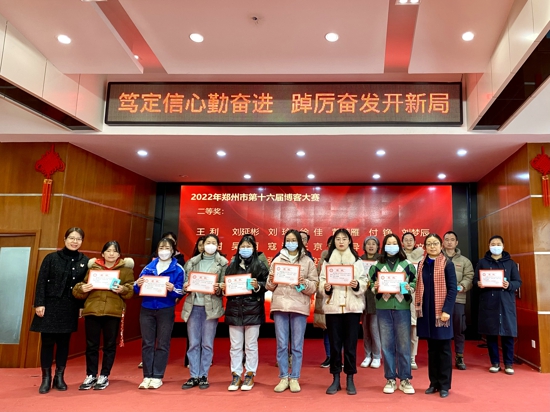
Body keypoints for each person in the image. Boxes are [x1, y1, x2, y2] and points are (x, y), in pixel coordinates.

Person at [30, 227, 89, 394]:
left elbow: (85, 287)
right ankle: (45, 378)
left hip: (70, 306)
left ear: (82, 242)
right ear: (65, 239)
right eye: (71, 238)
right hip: (50, 305)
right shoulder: (51, 258)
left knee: (64, 343)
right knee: (47, 342)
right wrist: (39, 303)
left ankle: (59, 377)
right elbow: (41, 281)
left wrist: (82, 307)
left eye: (78, 239)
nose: (74, 241)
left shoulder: (85, 261)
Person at [72, 241, 135, 390]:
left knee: (109, 345)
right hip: (92, 310)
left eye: (115, 251)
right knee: (91, 345)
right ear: (102, 253)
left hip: (113, 311)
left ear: (119, 254)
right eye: (108, 251)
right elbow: (78, 290)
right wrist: (82, 288)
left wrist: (123, 289)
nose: (111, 254)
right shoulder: (93, 268)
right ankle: (91, 375)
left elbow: (131, 290)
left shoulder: (126, 270)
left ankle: (104, 375)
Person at [267, 229, 318, 393]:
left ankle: (294, 377)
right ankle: (283, 377)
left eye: (293, 240)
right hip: (280, 305)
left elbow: (314, 286)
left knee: (297, 345)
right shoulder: (277, 260)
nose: (291, 243)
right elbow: (269, 286)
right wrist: (272, 279)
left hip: (299, 306)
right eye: (288, 240)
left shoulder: (307, 261)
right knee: (282, 344)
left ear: (299, 242)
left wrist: (304, 283)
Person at [319, 228, 367, 396]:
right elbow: (321, 281)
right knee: (335, 345)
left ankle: (350, 378)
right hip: (333, 308)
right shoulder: (327, 261)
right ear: (334, 242)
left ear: (349, 241)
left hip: (352, 308)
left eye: (344, 239)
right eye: (338, 239)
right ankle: (336, 379)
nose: (341, 242)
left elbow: (364, 281)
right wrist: (326, 288)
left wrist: (357, 285)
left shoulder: (357, 261)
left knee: (350, 345)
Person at [133, 238, 184, 389]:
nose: (164, 251)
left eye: (167, 248)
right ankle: (147, 376)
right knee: (147, 343)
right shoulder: (148, 267)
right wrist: (138, 285)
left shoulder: (178, 269)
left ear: (173, 251)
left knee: (162, 343)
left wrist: (172, 289)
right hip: (147, 308)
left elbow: (181, 291)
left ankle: (157, 376)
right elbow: (136, 288)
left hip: (165, 309)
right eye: (161, 247)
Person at [369, 233, 417, 395]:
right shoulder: (377, 265)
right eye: (388, 243)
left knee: (404, 344)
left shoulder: (407, 264)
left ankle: (405, 379)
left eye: (394, 243)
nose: (391, 246)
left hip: (402, 307)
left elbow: (414, 281)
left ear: (399, 245)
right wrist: (375, 286)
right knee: (387, 344)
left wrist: (410, 287)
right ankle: (390, 378)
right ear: (384, 246)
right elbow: (371, 283)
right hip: (383, 307)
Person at [181, 234, 227, 390]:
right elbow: (184, 283)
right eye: (208, 242)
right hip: (193, 306)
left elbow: (225, 286)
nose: (210, 245)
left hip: (211, 307)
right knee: (193, 343)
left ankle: (203, 375)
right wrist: (186, 286)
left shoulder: (223, 263)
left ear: (218, 246)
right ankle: (193, 375)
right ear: (202, 244)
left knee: (207, 344)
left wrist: (219, 287)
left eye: (214, 243)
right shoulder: (192, 262)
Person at [223, 234, 269, 391]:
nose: (245, 249)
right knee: (235, 346)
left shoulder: (260, 265)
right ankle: (236, 375)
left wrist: (258, 285)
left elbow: (267, 284)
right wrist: (224, 288)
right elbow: (227, 284)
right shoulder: (232, 265)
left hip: (253, 309)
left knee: (251, 345)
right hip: (234, 309)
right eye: (242, 246)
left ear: (254, 248)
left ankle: (250, 374)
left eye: (248, 246)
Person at [415, 234, 457, 399]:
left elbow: (452, 289)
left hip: (441, 313)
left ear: (441, 246)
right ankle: (433, 383)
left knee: (444, 350)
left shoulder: (447, 264)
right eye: (429, 244)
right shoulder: (422, 264)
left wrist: (447, 310)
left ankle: (444, 385)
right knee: (432, 350)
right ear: (425, 247)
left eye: (435, 243)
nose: (432, 246)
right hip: (427, 314)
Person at [474, 235, 522, 375]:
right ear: (489, 246)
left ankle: (508, 364)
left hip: (506, 303)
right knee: (491, 334)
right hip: (489, 302)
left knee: (508, 334)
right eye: (493, 244)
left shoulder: (510, 263)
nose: (496, 246)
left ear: (503, 246)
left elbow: (518, 282)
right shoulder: (482, 262)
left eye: (498, 244)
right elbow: (475, 280)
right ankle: (494, 363)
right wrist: (478, 283)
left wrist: (509, 285)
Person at [442, 231, 474, 370]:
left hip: (458, 299)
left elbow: (469, 276)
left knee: (459, 329)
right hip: (441, 300)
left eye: (452, 239)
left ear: (456, 243)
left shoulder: (464, 261)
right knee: (442, 328)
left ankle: (459, 356)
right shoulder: (437, 258)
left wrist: (463, 286)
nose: (449, 242)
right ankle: (444, 357)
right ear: (443, 242)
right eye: (447, 239)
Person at [359, 236, 382, 369]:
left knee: (374, 328)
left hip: (376, 298)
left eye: (374, 243)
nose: (371, 246)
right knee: (365, 328)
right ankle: (367, 355)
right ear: (364, 246)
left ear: (378, 246)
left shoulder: (381, 260)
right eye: (368, 244)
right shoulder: (359, 260)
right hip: (362, 297)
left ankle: (377, 355)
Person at [402, 232, 424, 370]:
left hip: (416, 296)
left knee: (414, 328)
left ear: (415, 242)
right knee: (401, 328)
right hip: (401, 295)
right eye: (406, 240)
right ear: (402, 243)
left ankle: (412, 357)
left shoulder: (422, 258)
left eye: (411, 240)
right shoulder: (398, 257)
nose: (409, 242)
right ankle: (402, 356)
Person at [315, 235, 333, 368]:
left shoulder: (348, 259)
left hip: (341, 299)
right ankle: (329, 356)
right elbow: (316, 278)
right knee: (326, 329)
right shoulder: (323, 260)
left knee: (340, 330)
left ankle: (338, 357)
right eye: (330, 243)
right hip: (325, 298)